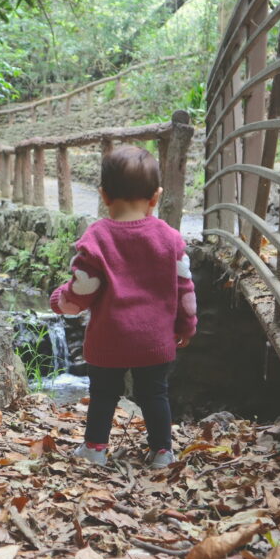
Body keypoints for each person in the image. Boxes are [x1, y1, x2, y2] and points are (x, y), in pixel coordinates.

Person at [50, 145, 197, 468]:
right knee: (154, 394)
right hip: (155, 339)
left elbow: (84, 288)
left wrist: (61, 301)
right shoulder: (170, 238)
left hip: (109, 338)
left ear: (103, 195)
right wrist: (186, 326)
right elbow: (184, 287)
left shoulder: (97, 237)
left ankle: (95, 449)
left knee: (104, 394)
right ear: (155, 197)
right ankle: (161, 452)